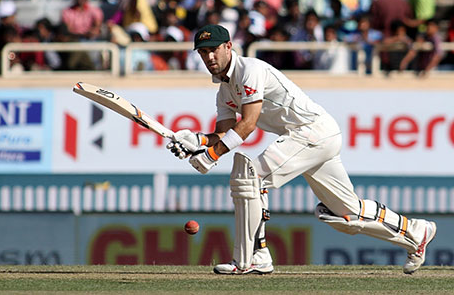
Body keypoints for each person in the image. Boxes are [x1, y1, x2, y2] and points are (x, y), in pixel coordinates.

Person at [166, 24, 437, 275]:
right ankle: (415, 231)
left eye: (213, 49)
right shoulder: (224, 91)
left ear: (228, 47)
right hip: (315, 136)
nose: (209, 57)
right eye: (203, 52)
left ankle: (253, 257)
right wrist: (197, 142)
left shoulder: (250, 69)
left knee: (250, 179)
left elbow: (247, 125)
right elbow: (224, 133)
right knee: (347, 213)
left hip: (310, 131)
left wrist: (212, 156)